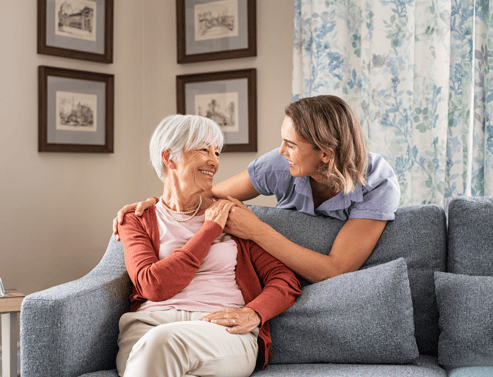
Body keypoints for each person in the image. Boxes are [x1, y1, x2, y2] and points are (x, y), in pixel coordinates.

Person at [114, 95, 400, 284]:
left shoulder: (377, 182)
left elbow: (336, 270)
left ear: (325, 153)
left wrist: (256, 230)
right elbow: (206, 198)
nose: (280, 150)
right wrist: (158, 203)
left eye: (291, 144)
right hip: (278, 277)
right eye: (282, 140)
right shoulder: (279, 164)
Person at [115, 114, 301, 377]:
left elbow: (284, 279)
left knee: (163, 343)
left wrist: (254, 312)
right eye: (204, 149)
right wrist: (208, 232)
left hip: (220, 331)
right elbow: (153, 285)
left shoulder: (232, 215)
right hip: (148, 328)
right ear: (169, 157)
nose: (214, 161)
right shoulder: (138, 218)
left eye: (217, 152)